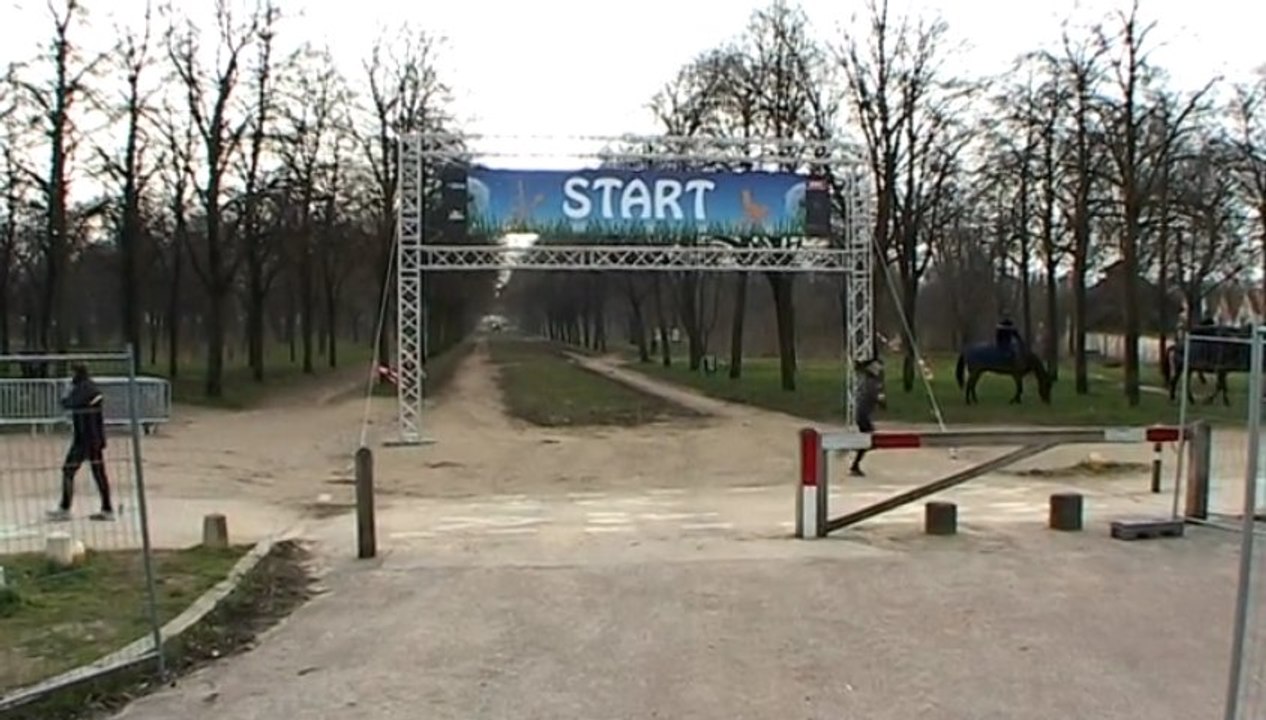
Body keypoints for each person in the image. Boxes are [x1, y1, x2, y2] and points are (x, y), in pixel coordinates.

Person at [47, 364, 114, 522]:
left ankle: (65, 508)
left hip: (84, 439)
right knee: (99, 474)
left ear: (77, 373)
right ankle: (107, 508)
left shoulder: (83, 389)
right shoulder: (90, 387)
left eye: (72, 373)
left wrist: (66, 395)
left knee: (68, 471)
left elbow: (68, 403)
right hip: (94, 438)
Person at [850, 357, 886, 477]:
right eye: (877, 366)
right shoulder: (869, 381)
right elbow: (870, 395)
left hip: (863, 414)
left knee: (869, 440)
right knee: (869, 440)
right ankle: (855, 462)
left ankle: (856, 459)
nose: (879, 369)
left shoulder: (870, 379)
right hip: (863, 414)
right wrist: (879, 400)